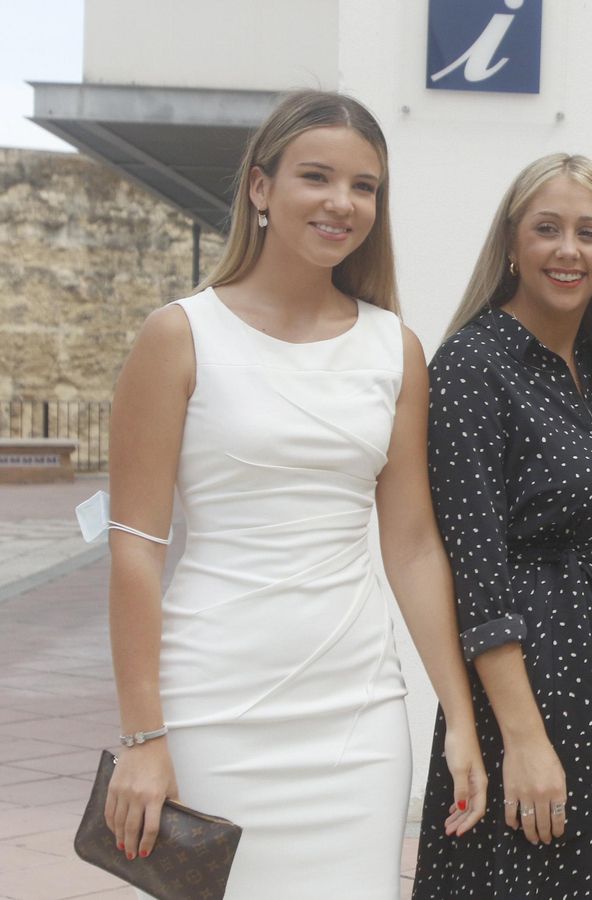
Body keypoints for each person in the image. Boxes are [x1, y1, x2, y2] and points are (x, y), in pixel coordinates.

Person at [100, 90, 487, 897]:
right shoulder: (180, 335)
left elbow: (412, 545)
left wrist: (458, 716)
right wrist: (143, 735)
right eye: (318, 176)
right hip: (214, 705)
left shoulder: (395, 349)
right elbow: (136, 547)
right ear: (260, 187)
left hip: (358, 714)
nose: (342, 203)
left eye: (365, 186)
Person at [411, 153, 592, 899]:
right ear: (511, 243)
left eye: (589, 233)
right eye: (548, 229)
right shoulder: (472, 364)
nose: (569, 250)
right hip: (528, 680)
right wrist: (524, 741)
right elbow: (476, 572)